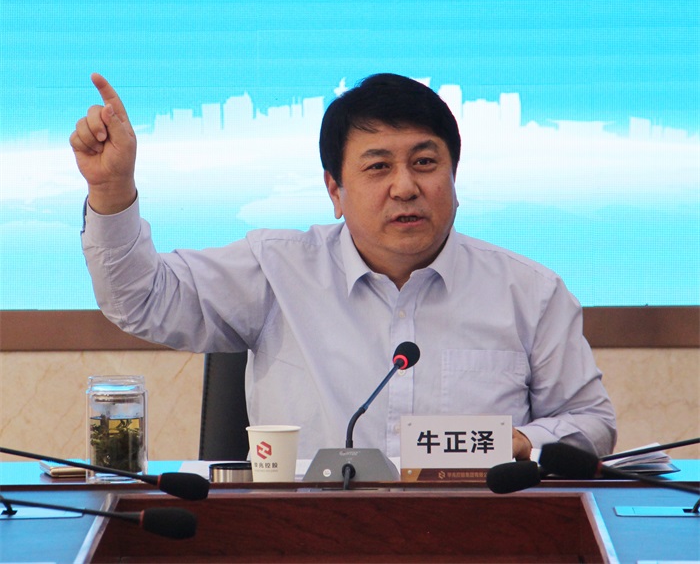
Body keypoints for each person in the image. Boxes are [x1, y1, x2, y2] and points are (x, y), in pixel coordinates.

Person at [70, 72, 617, 461]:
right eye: (378, 167)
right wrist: (112, 190)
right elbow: (140, 299)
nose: (405, 186)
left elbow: (591, 423)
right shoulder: (275, 270)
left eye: (425, 162)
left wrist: (519, 443)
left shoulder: (530, 292)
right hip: (304, 537)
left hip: (477, 537)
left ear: (454, 178)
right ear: (335, 190)